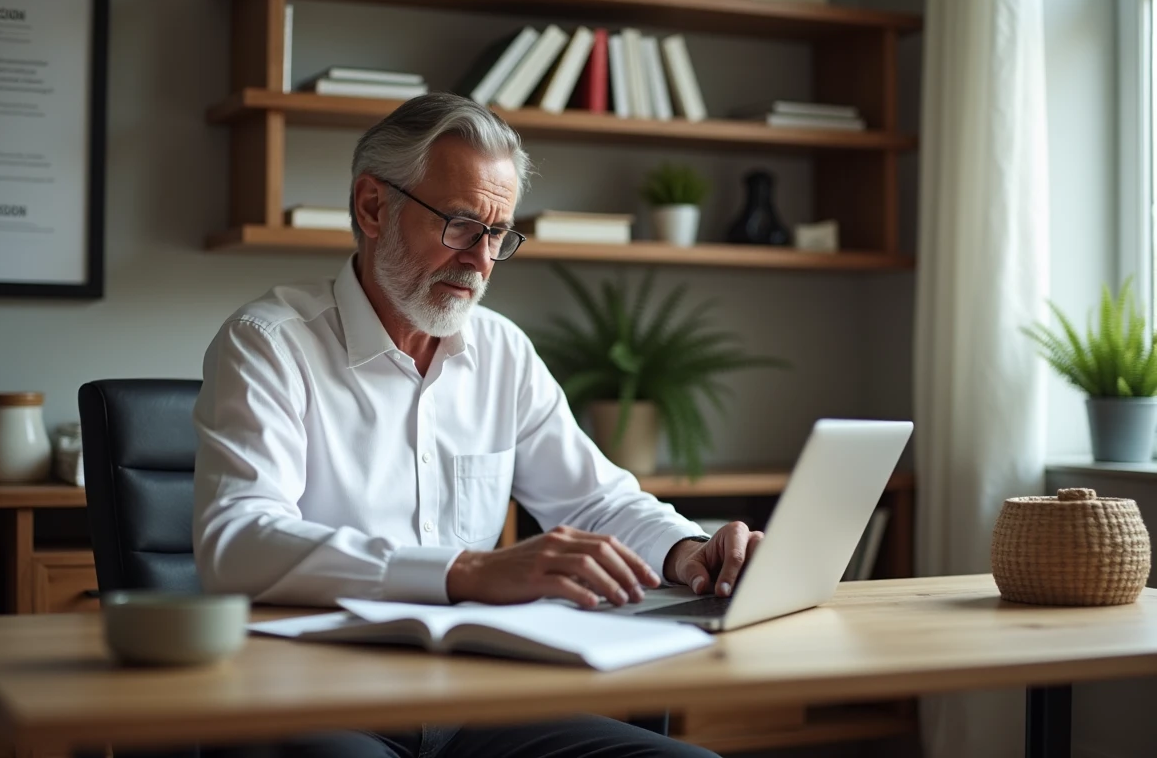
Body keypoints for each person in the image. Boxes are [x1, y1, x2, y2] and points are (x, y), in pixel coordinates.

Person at [193, 92, 762, 758]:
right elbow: (238, 542)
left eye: (498, 234)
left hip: (480, 704)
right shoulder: (269, 343)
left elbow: (595, 498)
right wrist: (464, 571)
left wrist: (686, 554)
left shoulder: (502, 351)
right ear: (373, 207)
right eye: (461, 224)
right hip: (319, 702)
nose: (482, 259)